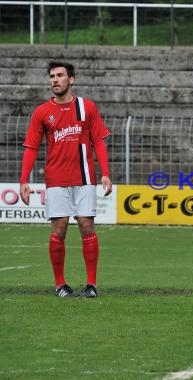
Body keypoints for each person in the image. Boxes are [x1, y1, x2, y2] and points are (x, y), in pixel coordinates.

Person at [19, 61, 112, 298]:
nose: (55, 80)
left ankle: (91, 284)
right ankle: (60, 284)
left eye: (60, 75)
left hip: (84, 178)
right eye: (52, 76)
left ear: (71, 80)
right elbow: (31, 147)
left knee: (86, 225)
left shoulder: (86, 107)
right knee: (59, 229)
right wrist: (23, 180)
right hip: (56, 179)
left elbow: (99, 141)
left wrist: (106, 173)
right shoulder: (42, 112)